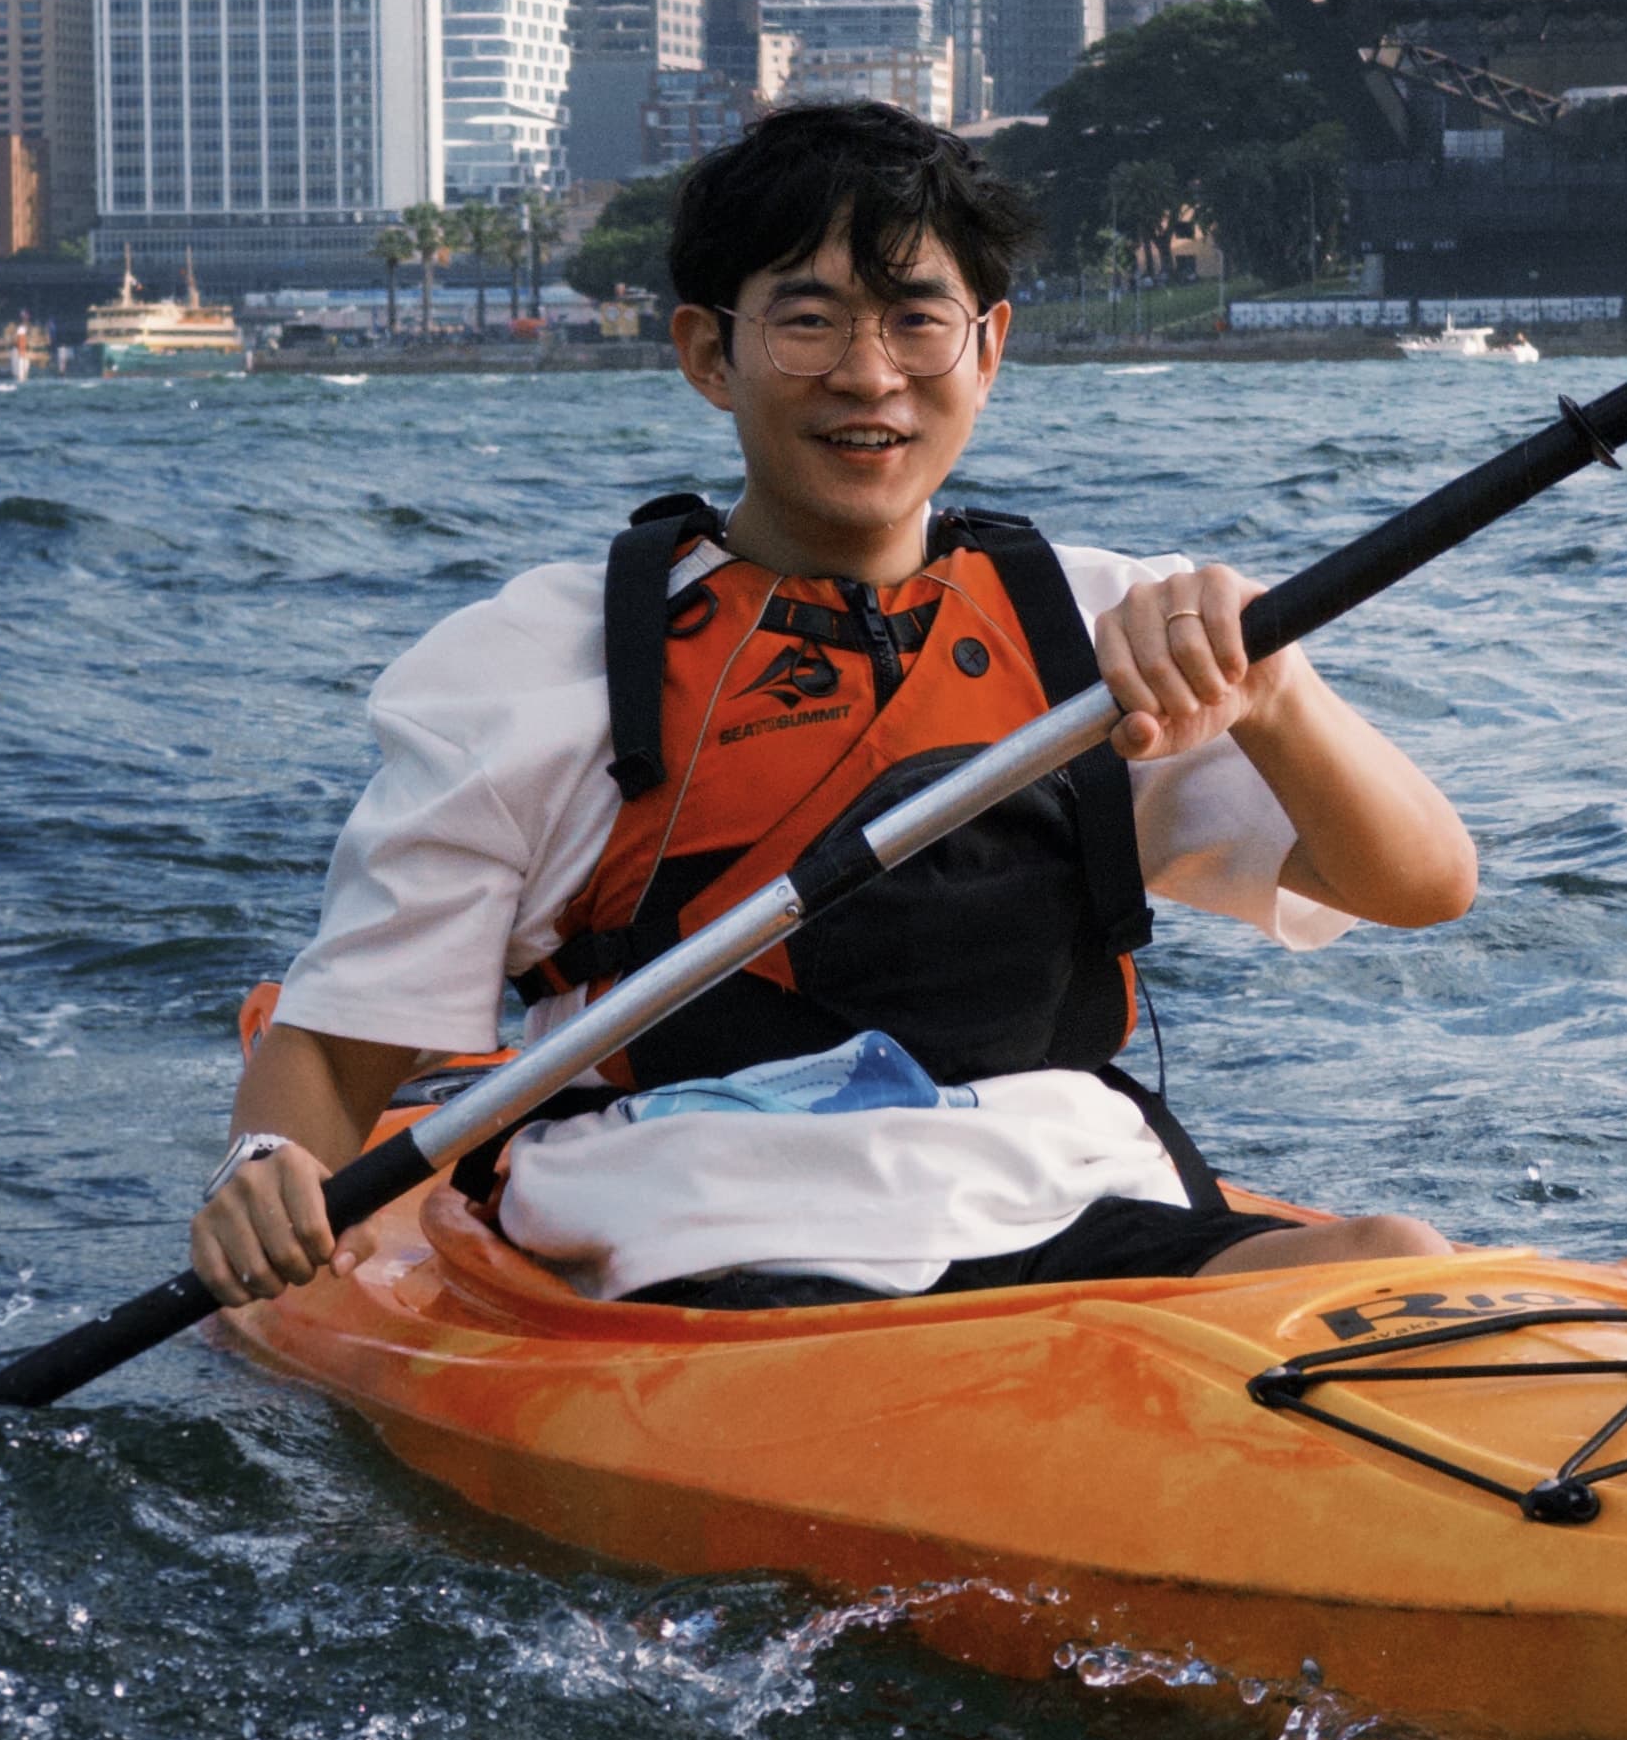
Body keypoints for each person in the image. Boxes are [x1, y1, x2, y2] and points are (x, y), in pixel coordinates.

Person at [189, 100, 1476, 1315]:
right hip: (701, 1228)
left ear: (990, 346)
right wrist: (261, 1160)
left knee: (1395, 1261)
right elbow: (336, 1057)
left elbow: (1420, 885)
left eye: (918, 321)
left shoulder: (1105, 630)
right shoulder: (535, 665)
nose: (870, 377)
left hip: (1061, 1194)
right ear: (709, 351)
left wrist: (1276, 692)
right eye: (808, 321)